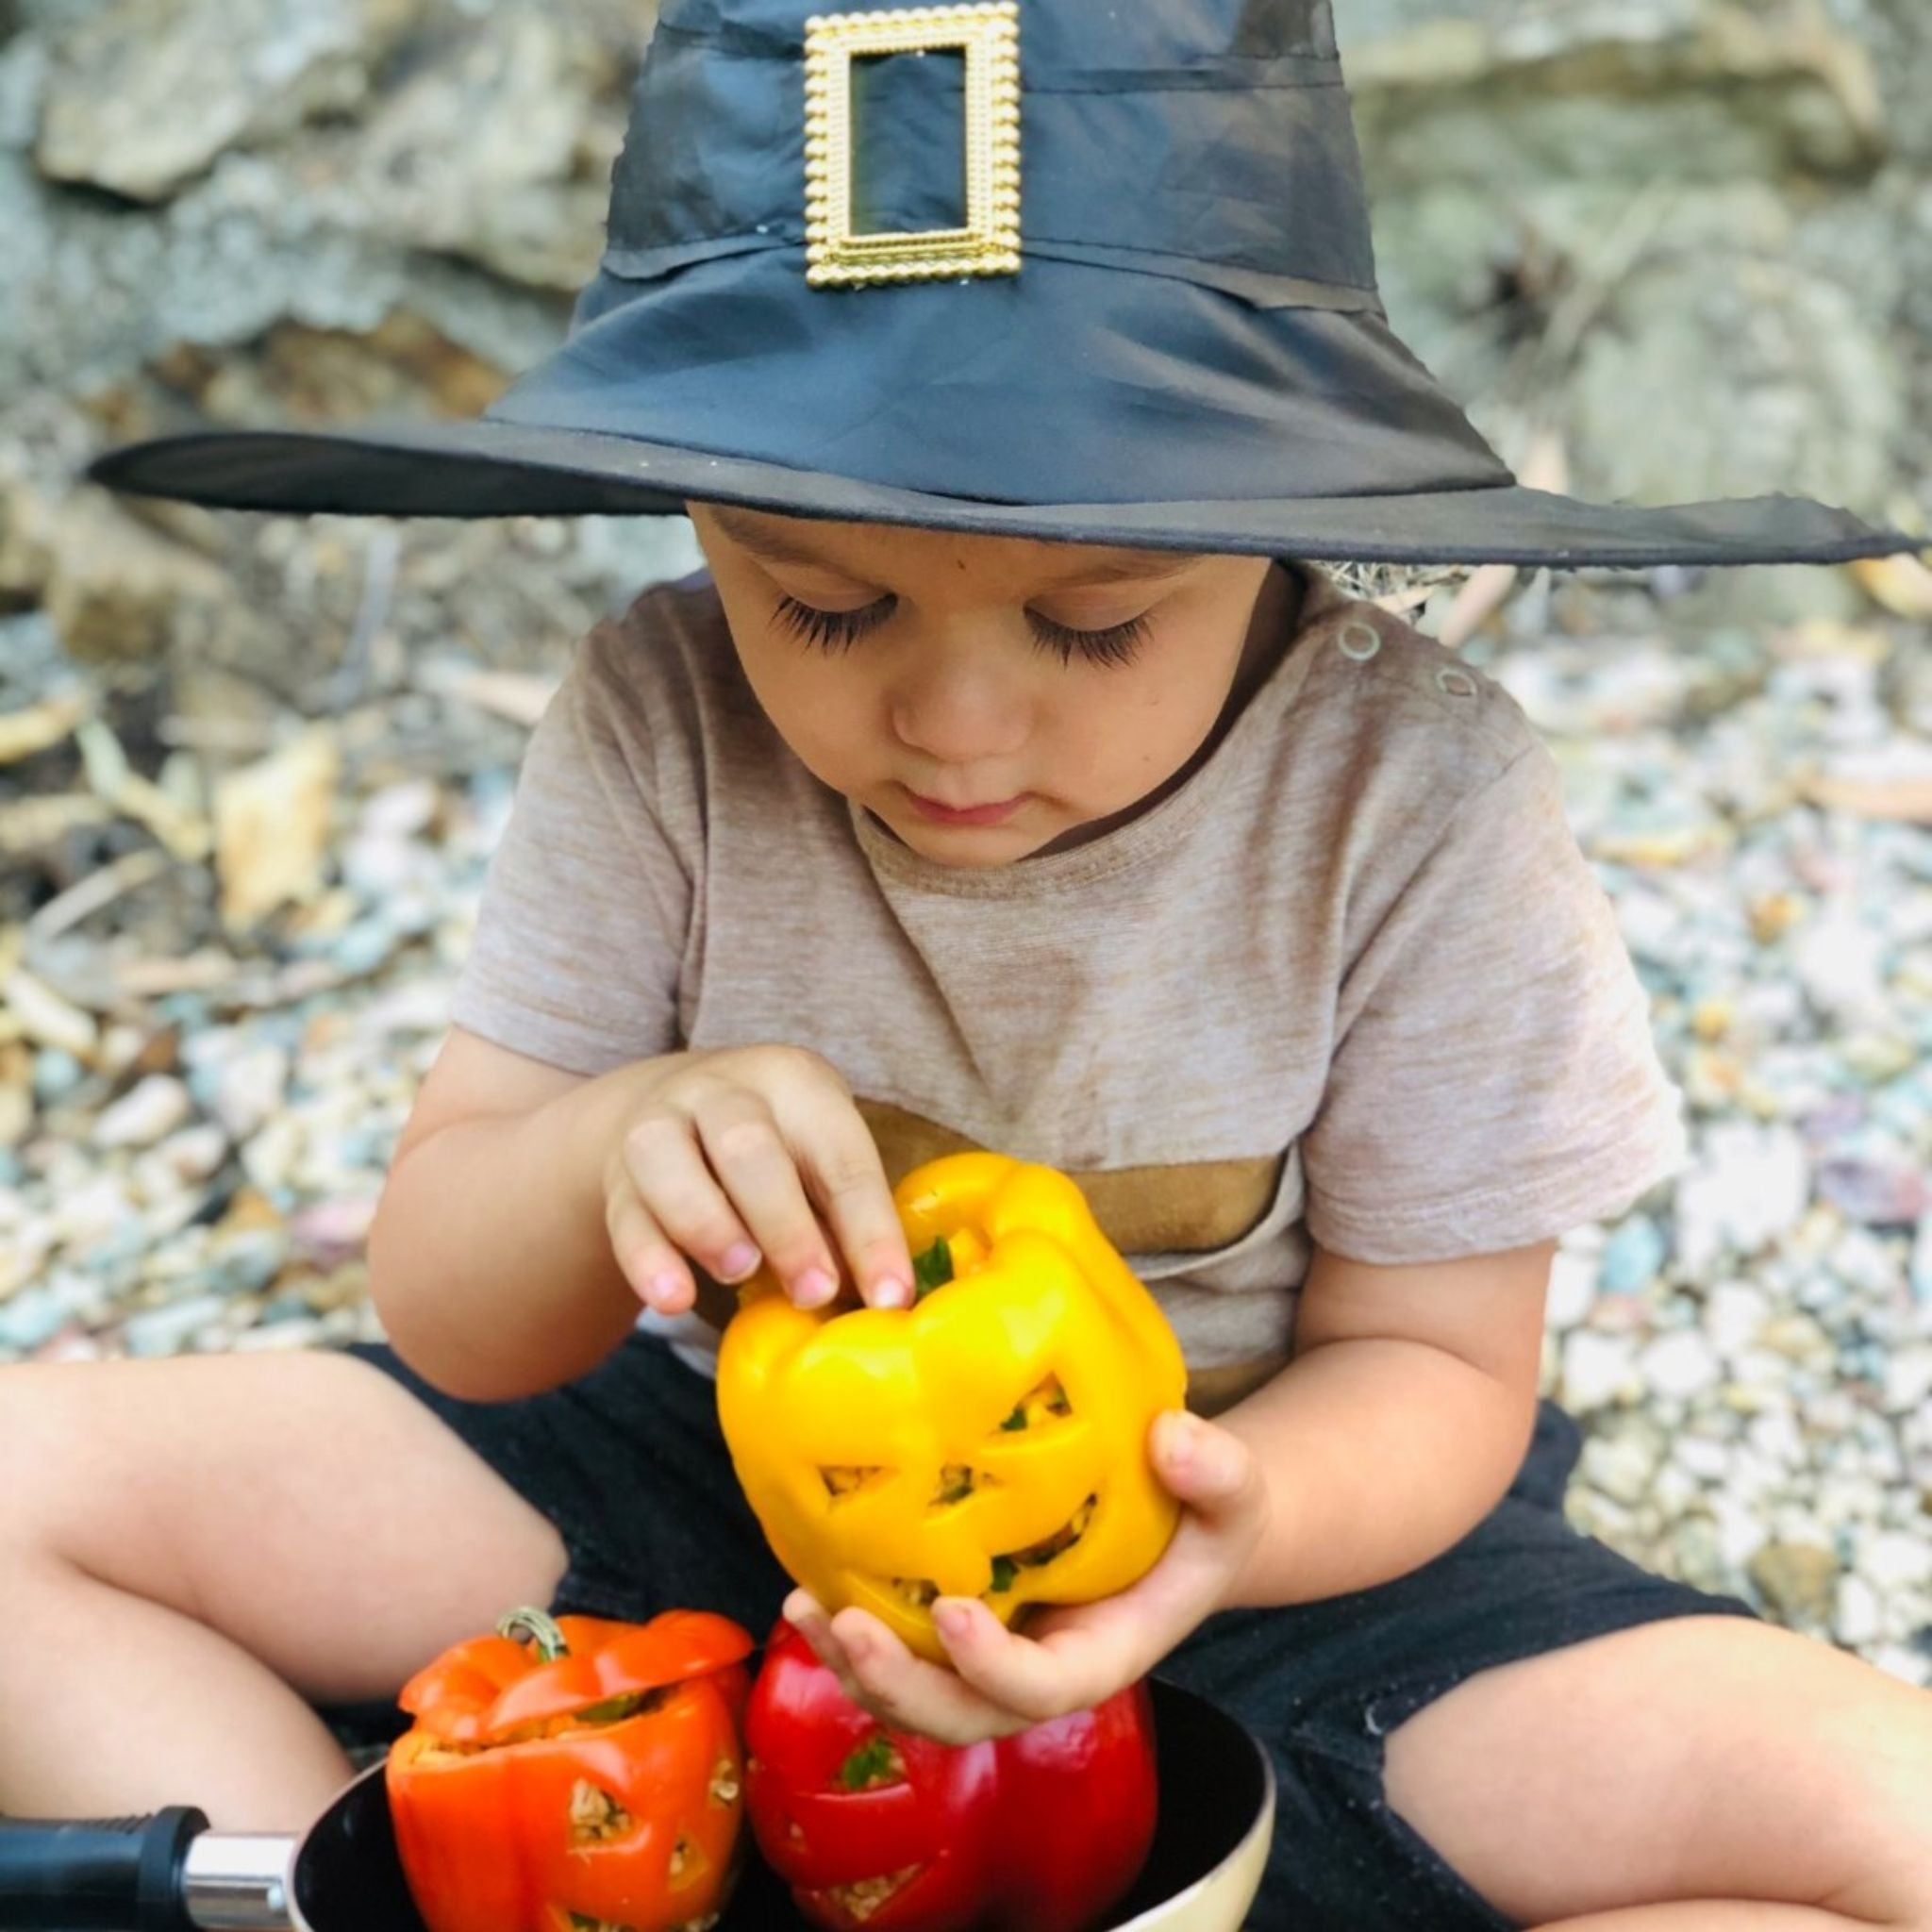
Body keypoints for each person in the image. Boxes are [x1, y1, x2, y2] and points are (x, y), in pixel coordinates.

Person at [11, 1, 1929, 1926]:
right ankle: (358, 1889)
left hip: (1258, 1571)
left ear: (1281, 528)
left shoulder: (1406, 790)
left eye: (1093, 620)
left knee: (1882, 1821)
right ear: (691, 509)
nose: (955, 721)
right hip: (710, 1507)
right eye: (822, 602)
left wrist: (1211, 1538)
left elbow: (1431, 1364)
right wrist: (616, 1144)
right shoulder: (660, 717)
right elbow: (454, 1308)